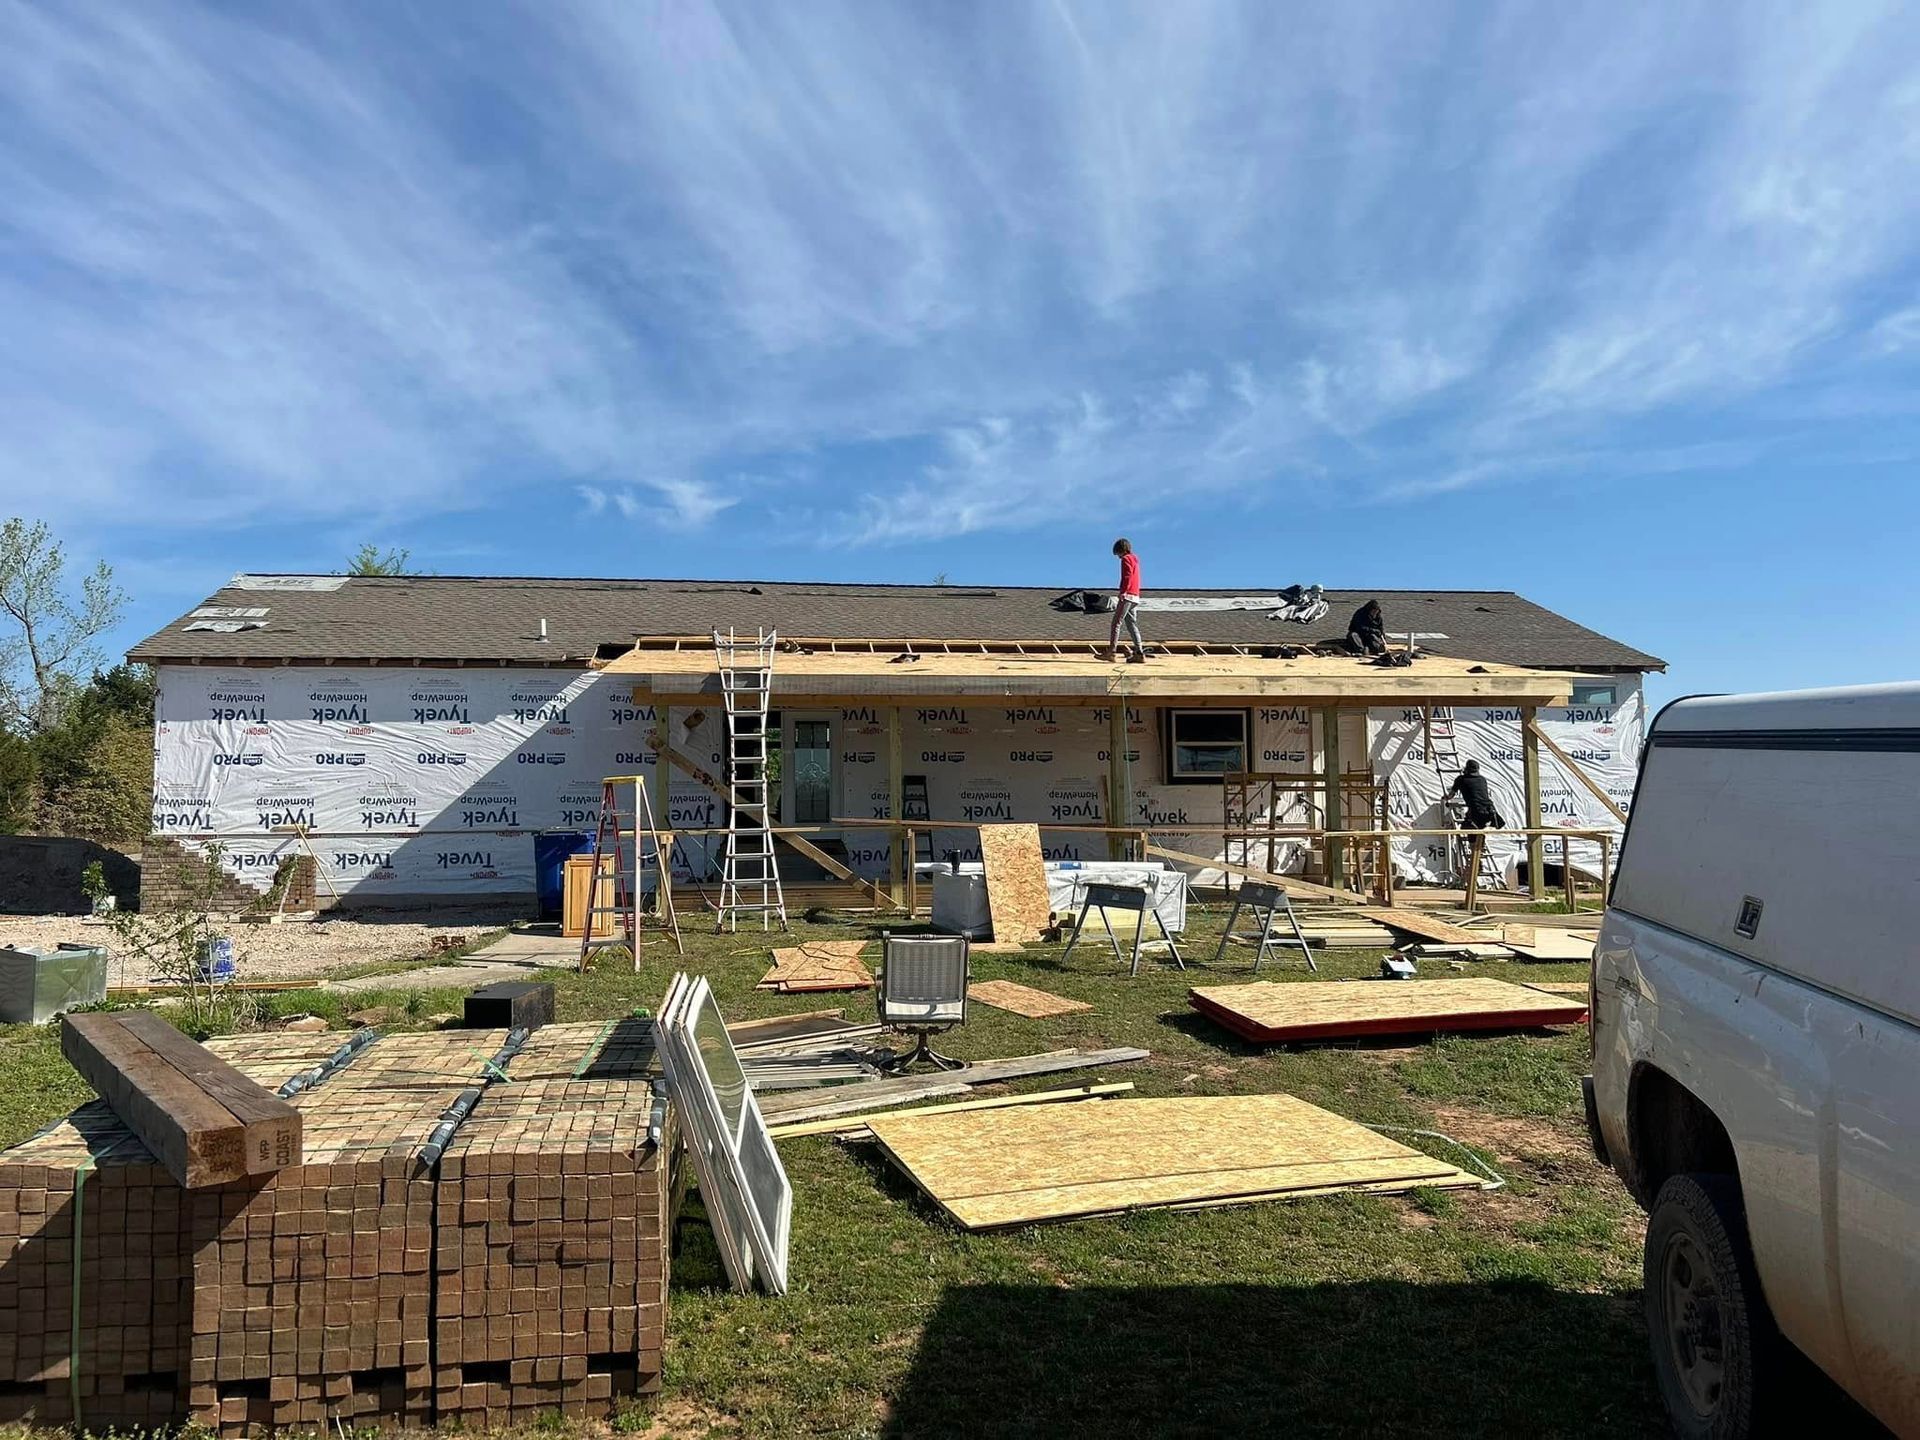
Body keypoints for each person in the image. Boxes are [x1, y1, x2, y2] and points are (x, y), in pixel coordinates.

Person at [1107, 538, 1146, 663]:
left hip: (1128, 595)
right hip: (1135, 595)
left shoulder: (1126, 559)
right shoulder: (1135, 559)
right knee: (1131, 624)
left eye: (1117, 553)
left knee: (1116, 623)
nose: (1118, 557)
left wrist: (1123, 592)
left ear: (1120, 550)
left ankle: (1111, 652)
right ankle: (1139, 653)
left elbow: (1127, 576)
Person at [1446, 760, 1505, 828]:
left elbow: (1450, 796)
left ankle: (1478, 836)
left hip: (1476, 811)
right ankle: (1480, 835)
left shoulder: (1461, 779)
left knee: (1468, 830)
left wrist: (1445, 797)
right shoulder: (1482, 779)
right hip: (1490, 810)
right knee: (1475, 829)